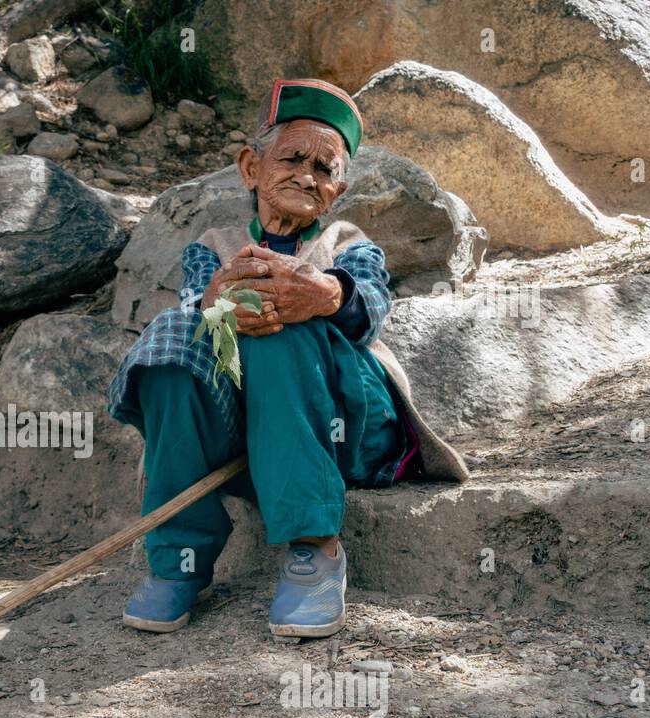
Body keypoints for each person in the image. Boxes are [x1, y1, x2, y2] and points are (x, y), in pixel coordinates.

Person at [107, 78, 468, 638]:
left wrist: (325, 295)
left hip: (341, 423)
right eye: (293, 158)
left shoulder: (348, 244)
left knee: (283, 326)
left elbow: (372, 306)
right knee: (176, 340)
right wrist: (216, 304)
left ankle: (315, 547)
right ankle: (179, 558)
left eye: (326, 169)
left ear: (339, 189)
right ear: (251, 168)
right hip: (246, 440)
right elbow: (192, 315)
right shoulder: (213, 248)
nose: (307, 175)